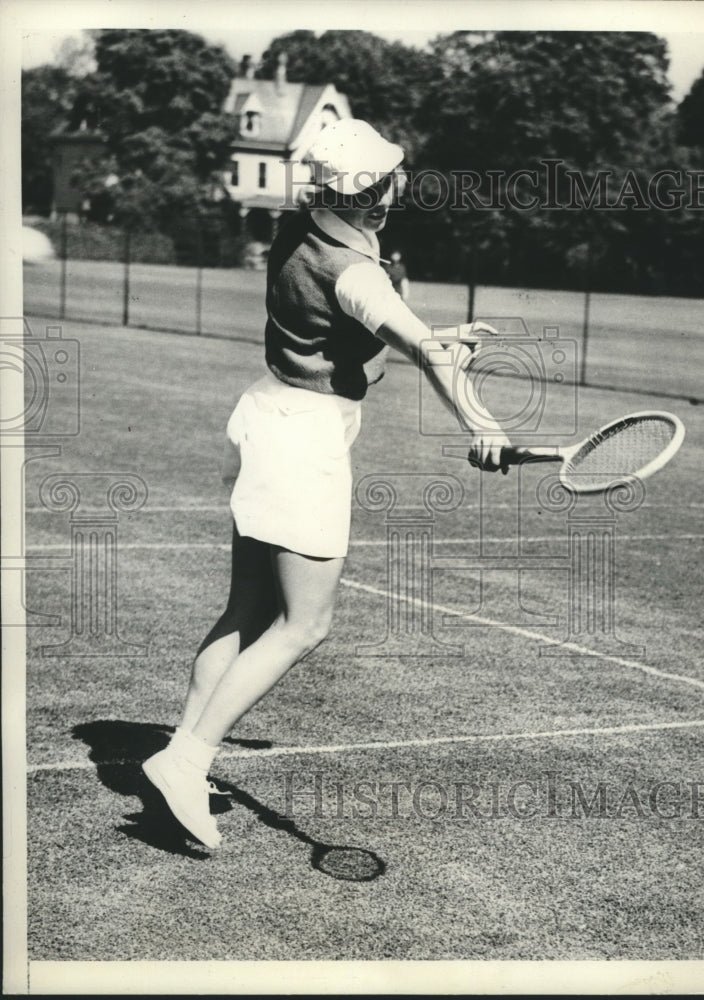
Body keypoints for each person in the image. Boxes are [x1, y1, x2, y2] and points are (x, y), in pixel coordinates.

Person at [142, 119, 516, 849]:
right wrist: (479, 421)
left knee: (245, 612)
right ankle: (185, 760)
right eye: (390, 178)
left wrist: (435, 337)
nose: (398, 185)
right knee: (305, 624)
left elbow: (398, 325)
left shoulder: (296, 225)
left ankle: (183, 752)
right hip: (301, 439)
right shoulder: (359, 270)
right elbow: (413, 340)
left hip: (262, 415)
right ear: (377, 195)